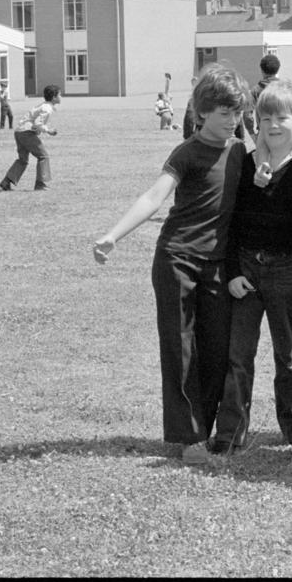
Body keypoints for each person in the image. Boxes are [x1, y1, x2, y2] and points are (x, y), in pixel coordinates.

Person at [93, 65, 252, 465]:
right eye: (224, 114)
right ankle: (189, 440)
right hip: (177, 260)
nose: (233, 121)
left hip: (218, 266)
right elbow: (154, 197)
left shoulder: (241, 151)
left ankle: (211, 429)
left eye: (238, 113)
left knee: (217, 350)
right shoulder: (187, 152)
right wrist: (114, 234)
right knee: (180, 349)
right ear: (201, 114)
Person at [213, 79, 292, 454]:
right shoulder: (244, 162)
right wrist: (232, 273)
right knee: (238, 355)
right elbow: (231, 221)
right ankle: (230, 430)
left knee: (289, 355)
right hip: (246, 268)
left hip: (287, 270)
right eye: (265, 118)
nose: (273, 125)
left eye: (282, 118)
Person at [0, 85, 61, 191]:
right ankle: (41, 185)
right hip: (26, 133)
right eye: (60, 95)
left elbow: (34, 122)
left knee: (23, 160)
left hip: (19, 132)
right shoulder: (47, 108)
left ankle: (6, 182)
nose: (61, 97)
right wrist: (48, 131)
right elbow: (38, 123)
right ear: (54, 97)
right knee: (43, 156)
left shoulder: (43, 105)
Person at [242, 53, 281, 138]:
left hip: (264, 134)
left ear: (262, 70)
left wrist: (252, 135)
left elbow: (247, 115)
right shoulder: (287, 88)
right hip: (284, 133)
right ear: (278, 69)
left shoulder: (255, 91)